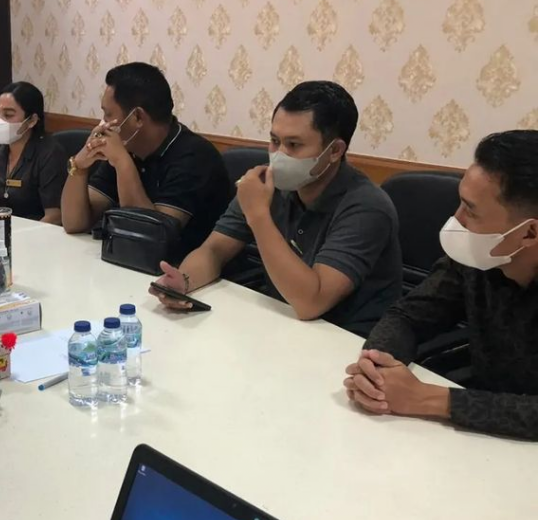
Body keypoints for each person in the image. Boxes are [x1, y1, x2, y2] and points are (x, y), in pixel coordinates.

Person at [151, 80, 402, 336]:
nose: (278, 155)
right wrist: (184, 281)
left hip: (347, 342)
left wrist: (258, 215)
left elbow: (311, 302)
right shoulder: (266, 184)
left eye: (294, 145)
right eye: (274, 140)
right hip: (281, 322)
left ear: (335, 150)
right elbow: (214, 251)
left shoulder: (367, 207)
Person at [345, 130, 538, 440]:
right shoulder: (478, 257)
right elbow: (408, 316)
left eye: (471, 211)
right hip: (473, 437)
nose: (457, 219)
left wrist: (428, 399)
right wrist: (376, 368)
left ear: (528, 233)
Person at [61, 62, 230, 255]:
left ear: (138, 117)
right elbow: (74, 223)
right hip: (135, 266)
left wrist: (123, 163)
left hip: (188, 273)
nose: (103, 124)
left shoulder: (194, 156)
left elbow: (150, 237)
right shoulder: (127, 147)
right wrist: (79, 167)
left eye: (108, 115)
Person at [0, 81, 67, 224]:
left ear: (31, 120)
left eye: (8, 114)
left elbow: (55, 215)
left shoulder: (50, 153)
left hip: (37, 234)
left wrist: (23, 238)